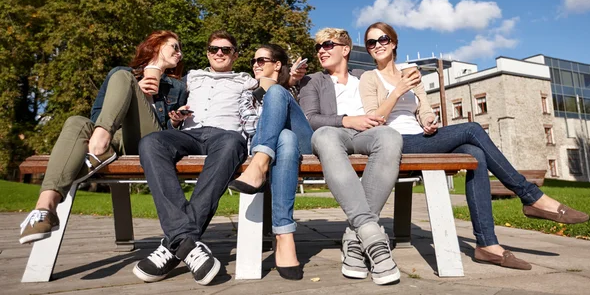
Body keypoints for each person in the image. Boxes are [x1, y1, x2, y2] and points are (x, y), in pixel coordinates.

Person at [359, 21, 590, 270]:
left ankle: (486, 245)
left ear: (393, 43)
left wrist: (429, 121)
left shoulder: (411, 75)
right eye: (371, 43)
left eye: (383, 39)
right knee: (472, 128)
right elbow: (375, 121)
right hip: (393, 142)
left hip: (420, 138)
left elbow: (424, 109)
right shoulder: (369, 78)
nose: (377, 45)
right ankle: (531, 196)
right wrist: (397, 91)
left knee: (475, 152)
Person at [19, 31, 187, 244]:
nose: (179, 54)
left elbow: (168, 136)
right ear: (156, 45)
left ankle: (98, 150)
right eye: (175, 47)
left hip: (147, 142)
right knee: (76, 122)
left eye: (180, 50)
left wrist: (171, 120)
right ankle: (45, 209)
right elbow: (97, 116)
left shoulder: (177, 87)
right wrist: (134, 89)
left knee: (122, 81)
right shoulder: (120, 74)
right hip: (113, 136)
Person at [132, 30, 257, 286]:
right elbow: (162, 95)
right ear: (207, 53)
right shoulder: (191, 78)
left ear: (235, 55)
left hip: (226, 136)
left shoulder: (246, 80)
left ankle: (174, 243)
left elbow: (273, 86)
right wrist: (175, 119)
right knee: (152, 142)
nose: (219, 53)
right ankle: (186, 241)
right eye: (214, 49)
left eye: (225, 49)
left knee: (234, 142)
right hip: (188, 135)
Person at [298, 28, 404, 285]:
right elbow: (310, 119)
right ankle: (371, 234)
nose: (321, 50)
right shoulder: (312, 80)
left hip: (368, 135)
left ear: (345, 49)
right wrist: (347, 120)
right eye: (318, 47)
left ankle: (354, 237)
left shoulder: (366, 76)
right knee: (324, 135)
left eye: (327, 45)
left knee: (390, 136)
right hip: (335, 134)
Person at [228, 44, 313, 280]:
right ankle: (284, 236)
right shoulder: (247, 92)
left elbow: (307, 119)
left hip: (304, 143)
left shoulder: (293, 88)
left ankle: (259, 164)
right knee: (284, 137)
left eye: (261, 60)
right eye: (253, 61)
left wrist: (274, 90)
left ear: (277, 65)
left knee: (277, 94)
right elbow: (249, 126)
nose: (255, 64)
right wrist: (263, 97)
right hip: (283, 146)